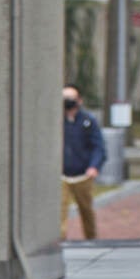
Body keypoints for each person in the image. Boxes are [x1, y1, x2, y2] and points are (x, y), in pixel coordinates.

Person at [61, 83, 106, 239]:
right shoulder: (57, 122)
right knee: (60, 211)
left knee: (86, 210)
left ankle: (91, 239)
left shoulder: (88, 121)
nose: (67, 101)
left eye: (71, 98)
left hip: (82, 175)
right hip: (62, 176)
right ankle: (60, 240)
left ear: (79, 100)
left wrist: (94, 166)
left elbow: (98, 146)